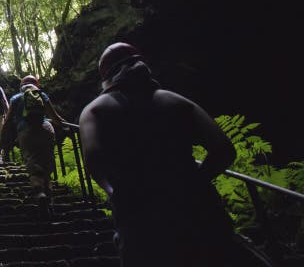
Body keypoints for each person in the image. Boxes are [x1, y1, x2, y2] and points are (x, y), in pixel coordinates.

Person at [79, 42, 271, 267]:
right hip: (201, 213)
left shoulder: (94, 110)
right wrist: (196, 182)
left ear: (107, 76)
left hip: (139, 221)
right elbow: (224, 149)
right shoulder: (176, 101)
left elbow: (93, 158)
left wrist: (113, 192)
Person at [2, 74, 66, 216]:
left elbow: (7, 121)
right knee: (47, 163)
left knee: (33, 161)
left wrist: (2, 141)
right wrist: (62, 126)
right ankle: (49, 198)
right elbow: (54, 116)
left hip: (26, 131)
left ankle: (39, 193)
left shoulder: (15, 98)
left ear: (21, 86)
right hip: (45, 128)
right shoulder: (41, 95)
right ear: (36, 84)